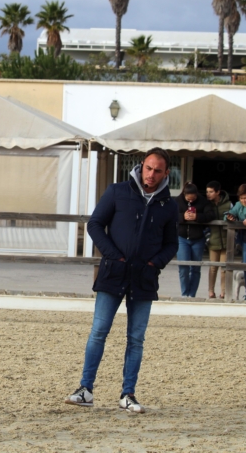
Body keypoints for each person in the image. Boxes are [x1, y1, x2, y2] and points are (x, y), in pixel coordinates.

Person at [65, 147, 178, 413]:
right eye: (148, 168)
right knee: (98, 332)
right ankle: (85, 389)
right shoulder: (117, 191)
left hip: (144, 279)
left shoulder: (169, 205)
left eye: (157, 171)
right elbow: (95, 224)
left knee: (136, 339)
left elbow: (171, 244)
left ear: (166, 174)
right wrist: (113, 255)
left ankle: (128, 394)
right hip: (113, 273)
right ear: (142, 165)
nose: (151, 175)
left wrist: (154, 264)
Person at [175, 182, 215, 297]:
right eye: (188, 198)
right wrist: (183, 217)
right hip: (182, 238)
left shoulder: (204, 202)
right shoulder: (177, 201)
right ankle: (184, 294)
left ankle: (192, 295)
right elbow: (170, 215)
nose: (191, 201)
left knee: (196, 269)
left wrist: (197, 217)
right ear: (184, 194)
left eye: (193, 198)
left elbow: (211, 215)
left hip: (198, 238)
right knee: (183, 268)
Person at [205, 181, 231, 299]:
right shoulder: (206, 204)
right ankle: (211, 291)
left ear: (218, 192)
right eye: (207, 192)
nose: (208, 194)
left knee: (224, 268)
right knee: (213, 267)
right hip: (213, 239)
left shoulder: (229, 204)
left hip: (226, 240)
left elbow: (234, 216)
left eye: (211, 192)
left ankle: (223, 292)